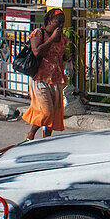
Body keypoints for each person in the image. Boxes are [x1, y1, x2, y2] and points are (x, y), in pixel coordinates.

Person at [21, 8, 69, 141]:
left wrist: (66, 58)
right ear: (49, 20)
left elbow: (61, 54)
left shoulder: (63, 38)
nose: (60, 25)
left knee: (53, 113)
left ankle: (46, 139)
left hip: (56, 78)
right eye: (58, 21)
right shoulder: (38, 33)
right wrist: (51, 39)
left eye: (63, 22)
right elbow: (37, 52)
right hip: (40, 78)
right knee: (46, 112)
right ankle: (31, 133)